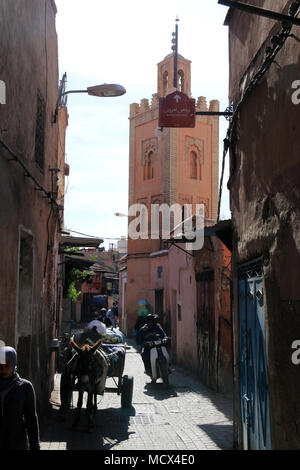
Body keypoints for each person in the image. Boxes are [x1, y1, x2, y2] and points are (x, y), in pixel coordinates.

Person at [0, 346, 40, 450]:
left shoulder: (25, 387)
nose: (3, 369)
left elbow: (31, 420)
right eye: (0, 366)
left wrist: (35, 447)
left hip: (16, 443)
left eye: (7, 365)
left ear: (13, 365)